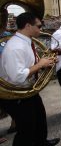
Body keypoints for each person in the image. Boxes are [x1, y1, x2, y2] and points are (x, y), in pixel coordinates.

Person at [0, 12, 60, 146]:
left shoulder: (26, 42)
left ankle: (41, 142)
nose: (41, 29)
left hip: (28, 91)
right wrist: (40, 64)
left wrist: (46, 62)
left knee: (39, 119)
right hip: (17, 95)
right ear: (28, 25)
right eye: (38, 26)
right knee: (26, 129)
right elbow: (17, 76)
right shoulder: (15, 47)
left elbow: (30, 64)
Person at [0, 8, 17, 136]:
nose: (4, 21)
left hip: (8, 75)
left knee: (13, 101)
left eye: (5, 18)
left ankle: (14, 123)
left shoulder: (7, 36)